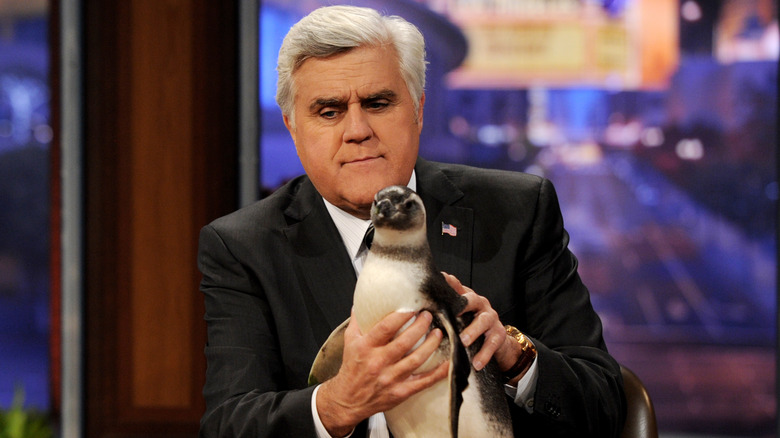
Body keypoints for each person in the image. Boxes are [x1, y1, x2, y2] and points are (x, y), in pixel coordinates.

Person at [197, 5, 626, 437]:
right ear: (292, 127)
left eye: (378, 103)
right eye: (329, 112)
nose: (357, 129)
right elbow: (228, 425)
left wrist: (517, 356)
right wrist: (336, 403)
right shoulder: (242, 247)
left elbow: (605, 403)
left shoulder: (517, 211)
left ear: (418, 108)